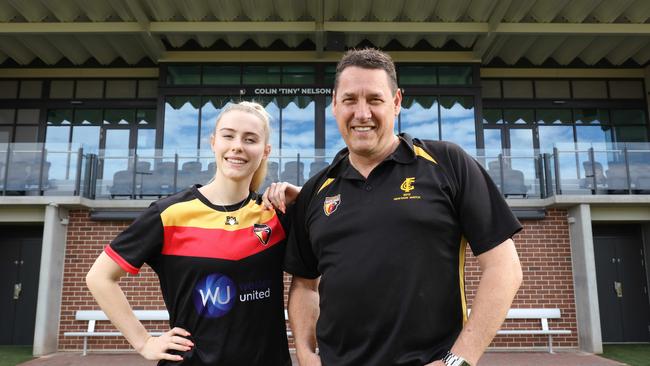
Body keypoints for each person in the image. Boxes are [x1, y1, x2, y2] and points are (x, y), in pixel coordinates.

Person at [282, 49, 523, 366]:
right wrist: (304, 350)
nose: (362, 113)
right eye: (351, 100)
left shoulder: (447, 163)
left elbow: (504, 269)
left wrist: (459, 360)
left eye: (375, 100)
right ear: (335, 105)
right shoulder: (316, 190)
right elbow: (304, 284)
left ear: (396, 102)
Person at [86, 101, 296, 365]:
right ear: (213, 142)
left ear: (265, 151)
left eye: (250, 139)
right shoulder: (170, 213)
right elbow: (100, 277)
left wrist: (302, 197)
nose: (237, 146)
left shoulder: (275, 215)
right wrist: (144, 341)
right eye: (228, 135)